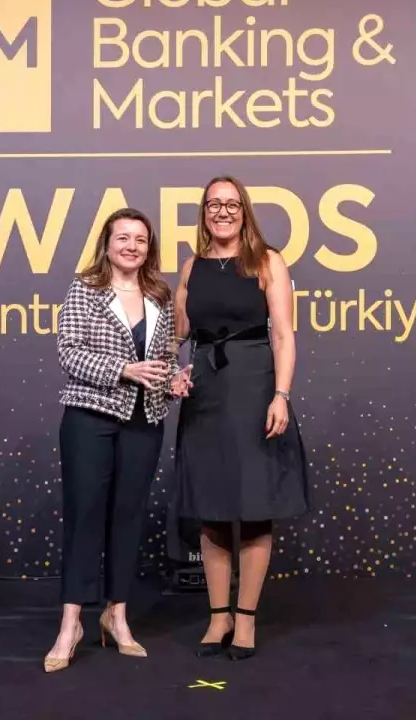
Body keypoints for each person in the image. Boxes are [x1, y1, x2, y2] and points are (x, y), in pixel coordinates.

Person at [171, 175, 311, 661]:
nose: (223, 212)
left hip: (254, 388)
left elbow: (284, 335)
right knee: (211, 509)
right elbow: (177, 335)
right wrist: (173, 372)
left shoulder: (268, 260)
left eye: (232, 204)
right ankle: (219, 617)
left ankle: (246, 617)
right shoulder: (191, 267)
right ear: (204, 212)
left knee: (253, 507)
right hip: (206, 393)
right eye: (214, 204)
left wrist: (281, 395)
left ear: (245, 211)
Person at [44, 207, 190, 673]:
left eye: (140, 240)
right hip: (90, 417)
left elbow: (163, 357)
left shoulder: (160, 294)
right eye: (123, 237)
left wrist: (173, 380)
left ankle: (117, 616)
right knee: (85, 516)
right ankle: (70, 624)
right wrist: (123, 370)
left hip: (144, 421)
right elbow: (69, 353)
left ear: (150, 248)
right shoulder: (85, 289)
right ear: (107, 245)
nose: (132, 246)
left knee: (128, 517)